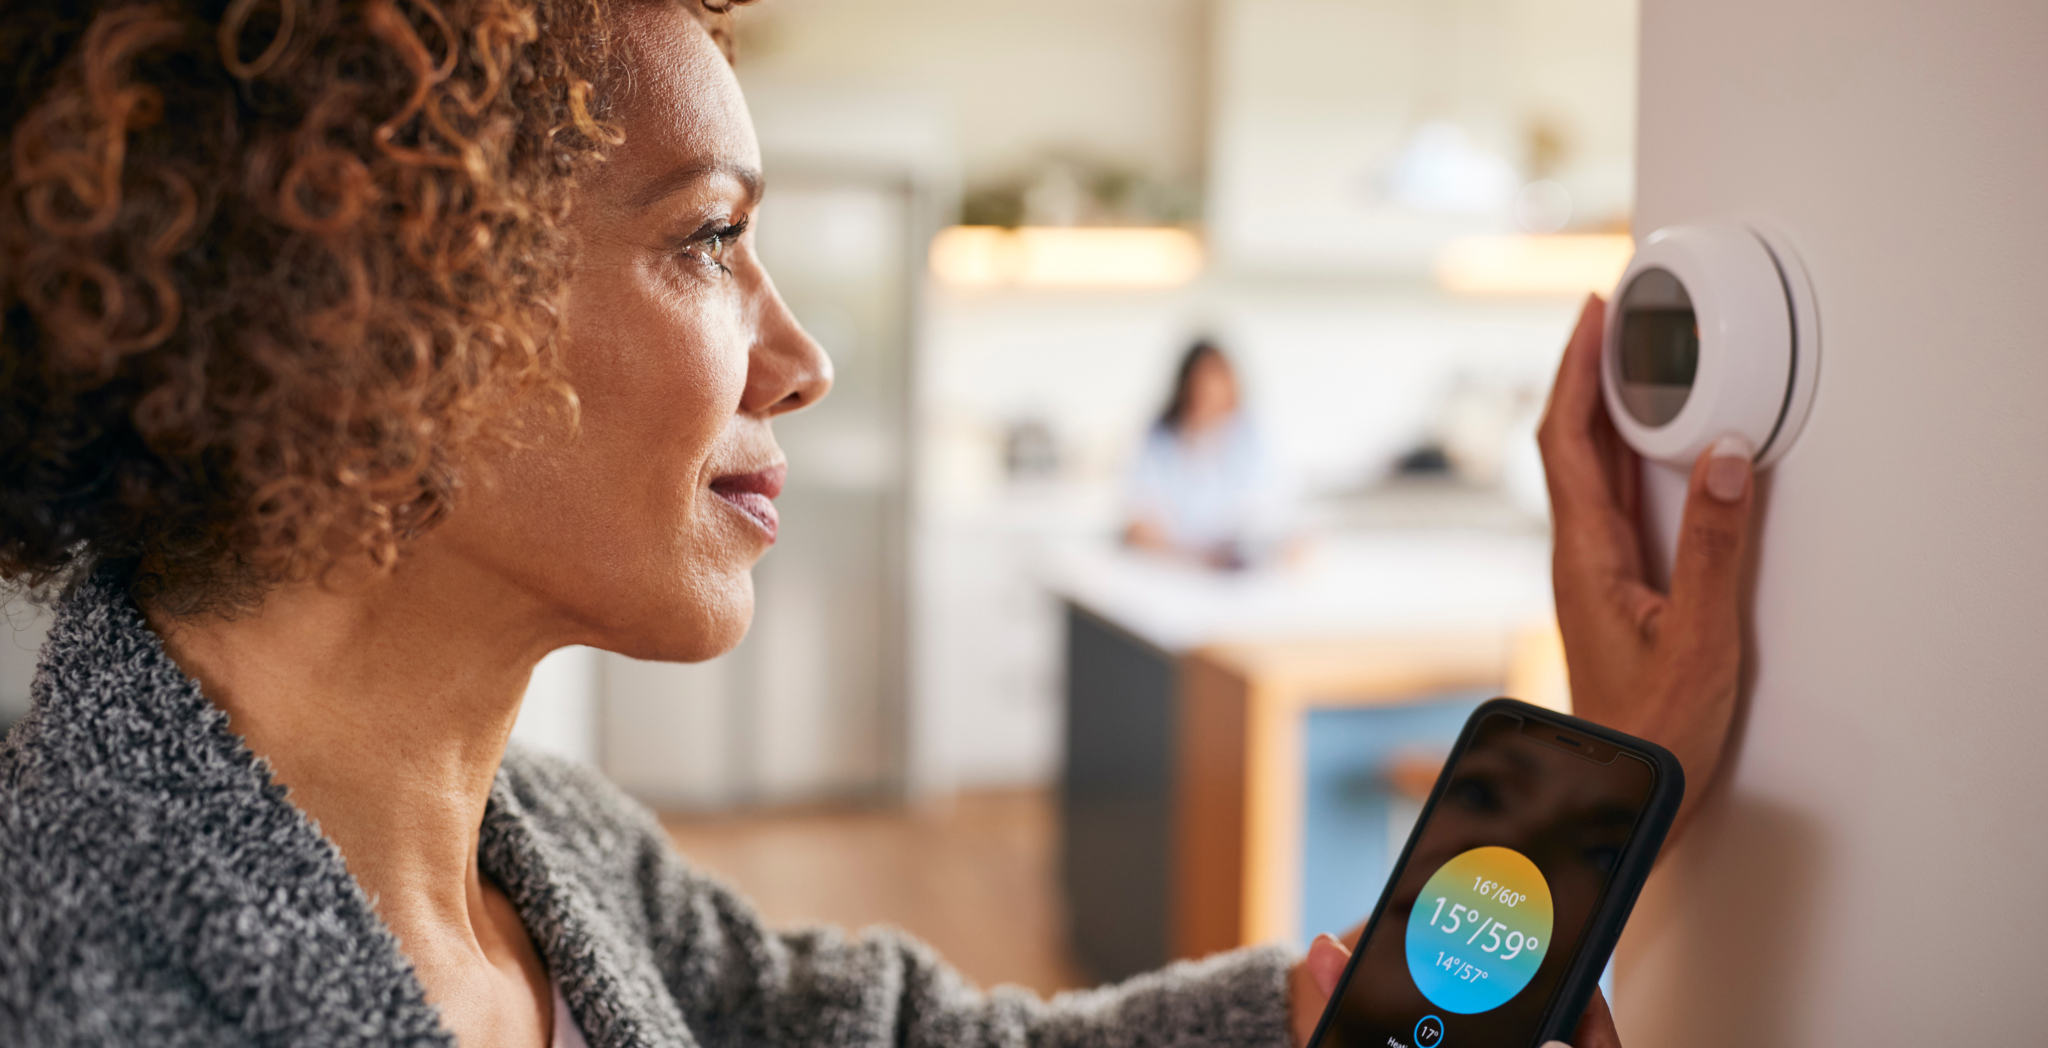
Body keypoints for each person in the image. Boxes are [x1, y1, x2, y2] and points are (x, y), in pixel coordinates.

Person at [0, 2, 1756, 1047]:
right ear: (376, 305)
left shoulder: (542, 847)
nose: (803, 353)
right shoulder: (65, 972)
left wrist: (1569, 807)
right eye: (704, 237)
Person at [1123, 340, 1289, 569]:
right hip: (1173, 570)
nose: (1206, 397)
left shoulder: (1251, 435)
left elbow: (1271, 511)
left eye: (1214, 387)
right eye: (1199, 388)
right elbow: (1139, 522)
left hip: (1236, 573)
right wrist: (1193, 555)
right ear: (1184, 390)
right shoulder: (1160, 435)